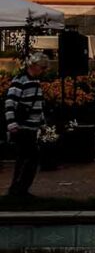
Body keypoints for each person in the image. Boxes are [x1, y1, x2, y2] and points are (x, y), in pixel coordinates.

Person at [4, 53, 48, 198]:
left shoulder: (34, 81)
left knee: (28, 159)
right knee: (28, 158)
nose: (43, 71)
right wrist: (12, 124)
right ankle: (18, 189)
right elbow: (10, 103)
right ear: (34, 66)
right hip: (23, 127)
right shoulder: (20, 80)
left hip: (31, 127)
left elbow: (38, 104)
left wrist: (42, 123)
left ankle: (19, 189)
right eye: (42, 67)